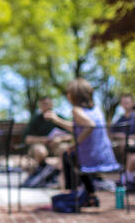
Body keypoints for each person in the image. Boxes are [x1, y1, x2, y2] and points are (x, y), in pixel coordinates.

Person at [44, 78, 119, 206]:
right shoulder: (96, 109)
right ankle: (90, 195)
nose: (67, 96)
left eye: (69, 93)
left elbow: (90, 125)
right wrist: (56, 120)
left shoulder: (76, 110)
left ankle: (72, 192)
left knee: (67, 155)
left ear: (74, 95)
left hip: (90, 158)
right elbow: (77, 127)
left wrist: (75, 144)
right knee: (72, 155)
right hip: (106, 156)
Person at [23, 96, 72, 171]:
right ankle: (41, 173)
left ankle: (62, 174)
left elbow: (71, 135)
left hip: (56, 146)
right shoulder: (35, 120)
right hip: (41, 146)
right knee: (40, 151)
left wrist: (60, 139)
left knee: (65, 148)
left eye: (46, 104)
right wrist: (44, 139)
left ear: (51, 104)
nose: (44, 106)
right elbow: (27, 139)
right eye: (42, 104)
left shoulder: (59, 118)